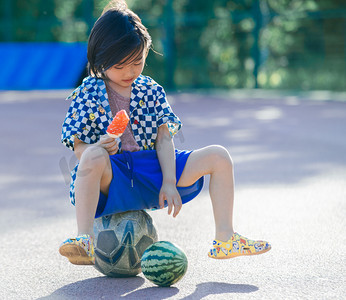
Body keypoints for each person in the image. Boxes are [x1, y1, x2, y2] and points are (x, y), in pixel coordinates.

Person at [59, 0, 271, 265]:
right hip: (113, 176)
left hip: (154, 169)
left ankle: (225, 238)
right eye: (119, 65)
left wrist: (169, 181)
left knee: (219, 156)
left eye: (137, 62)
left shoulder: (151, 90)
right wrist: (96, 148)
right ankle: (85, 239)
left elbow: (164, 139)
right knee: (90, 157)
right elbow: (77, 145)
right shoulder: (87, 93)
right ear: (100, 59)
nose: (129, 72)